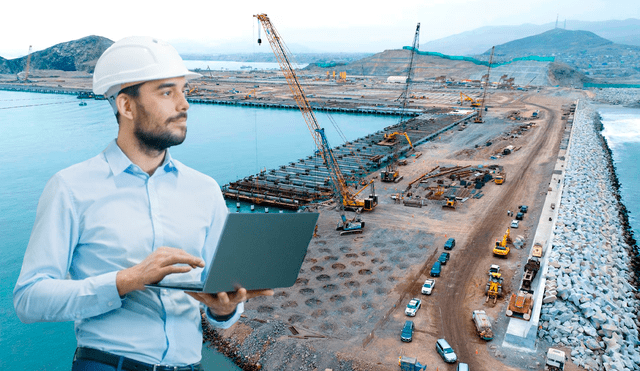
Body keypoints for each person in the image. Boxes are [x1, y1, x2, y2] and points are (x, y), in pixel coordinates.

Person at [13, 36, 273, 371]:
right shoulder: (70, 188)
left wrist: (223, 309)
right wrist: (127, 280)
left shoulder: (205, 190)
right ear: (126, 106)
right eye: (167, 92)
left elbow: (217, 297)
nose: (184, 105)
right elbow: (29, 299)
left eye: (184, 91)